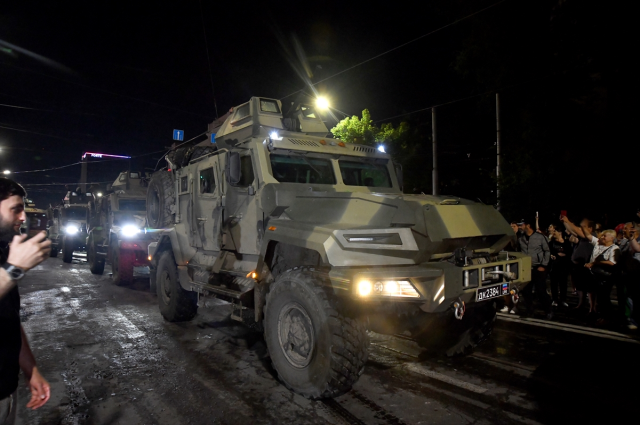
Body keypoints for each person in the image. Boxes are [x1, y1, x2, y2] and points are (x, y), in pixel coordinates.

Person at [0, 178, 52, 425]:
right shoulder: (9, 262)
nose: (23, 217)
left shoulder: (3, 250)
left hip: (6, 390)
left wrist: (30, 369)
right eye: (15, 209)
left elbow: (7, 317)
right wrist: (14, 270)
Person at [517, 218, 553, 319]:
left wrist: (544, 265)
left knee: (541, 291)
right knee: (526, 291)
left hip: (538, 268)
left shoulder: (540, 237)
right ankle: (530, 311)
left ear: (528, 225)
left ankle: (548, 310)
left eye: (522, 225)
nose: (520, 227)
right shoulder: (521, 238)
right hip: (526, 269)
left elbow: (547, 251)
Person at [562, 216, 596, 312]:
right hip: (579, 265)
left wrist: (568, 221)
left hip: (588, 266)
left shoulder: (592, 236)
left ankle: (592, 308)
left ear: (590, 228)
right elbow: (573, 231)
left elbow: (577, 231)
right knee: (580, 286)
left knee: (590, 288)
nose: (581, 228)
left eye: (584, 226)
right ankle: (581, 304)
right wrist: (565, 222)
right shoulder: (583, 237)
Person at [549, 224, 572, 308]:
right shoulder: (551, 243)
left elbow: (569, 253)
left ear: (560, 232)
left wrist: (563, 255)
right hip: (554, 266)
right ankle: (554, 299)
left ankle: (563, 300)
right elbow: (549, 252)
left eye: (555, 231)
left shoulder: (567, 243)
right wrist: (552, 255)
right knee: (554, 284)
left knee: (563, 284)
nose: (554, 233)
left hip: (564, 266)